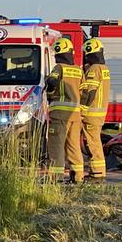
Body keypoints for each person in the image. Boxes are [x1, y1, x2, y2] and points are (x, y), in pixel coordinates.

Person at [45, 38, 85, 183]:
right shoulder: (79, 70)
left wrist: (49, 89)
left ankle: (56, 177)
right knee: (74, 145)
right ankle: (78, 176)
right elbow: (84, 91)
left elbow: (52, 82)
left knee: (56, 145)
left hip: (60, 114)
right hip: (75, 114)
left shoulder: (59, 68)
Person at [80, 38, 111, 182]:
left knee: (93, 143)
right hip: (99, 112)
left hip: (91, 113)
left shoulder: (93, 69)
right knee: (95, 141)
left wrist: (82, 109)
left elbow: (89, 92)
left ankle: (97, 174)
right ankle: (98, 172)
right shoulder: (104, 68)